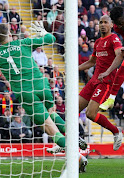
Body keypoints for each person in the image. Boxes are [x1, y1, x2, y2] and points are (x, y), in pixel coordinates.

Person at [0, 22, 87, 172]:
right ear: (9, 34)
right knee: (51, 113)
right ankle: (73, 136)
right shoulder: (23, 42)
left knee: (49, 128)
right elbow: (51, 39)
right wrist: (43, 32)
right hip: (42, 85)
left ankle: (76, 155)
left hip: (25, 92)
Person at [78, 15, 123, 151]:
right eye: (100, 22)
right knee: (72, 110)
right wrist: (75, 69)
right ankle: (76, 137)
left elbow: (119, 55)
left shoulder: (114, 38)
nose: (102, 25)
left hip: (105, 82)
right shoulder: (98, 42)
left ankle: (116, 132)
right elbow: (92, 62)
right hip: (93, 81)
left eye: (105, 22)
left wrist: (108, 71)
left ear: (111, 25)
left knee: (91, 114)